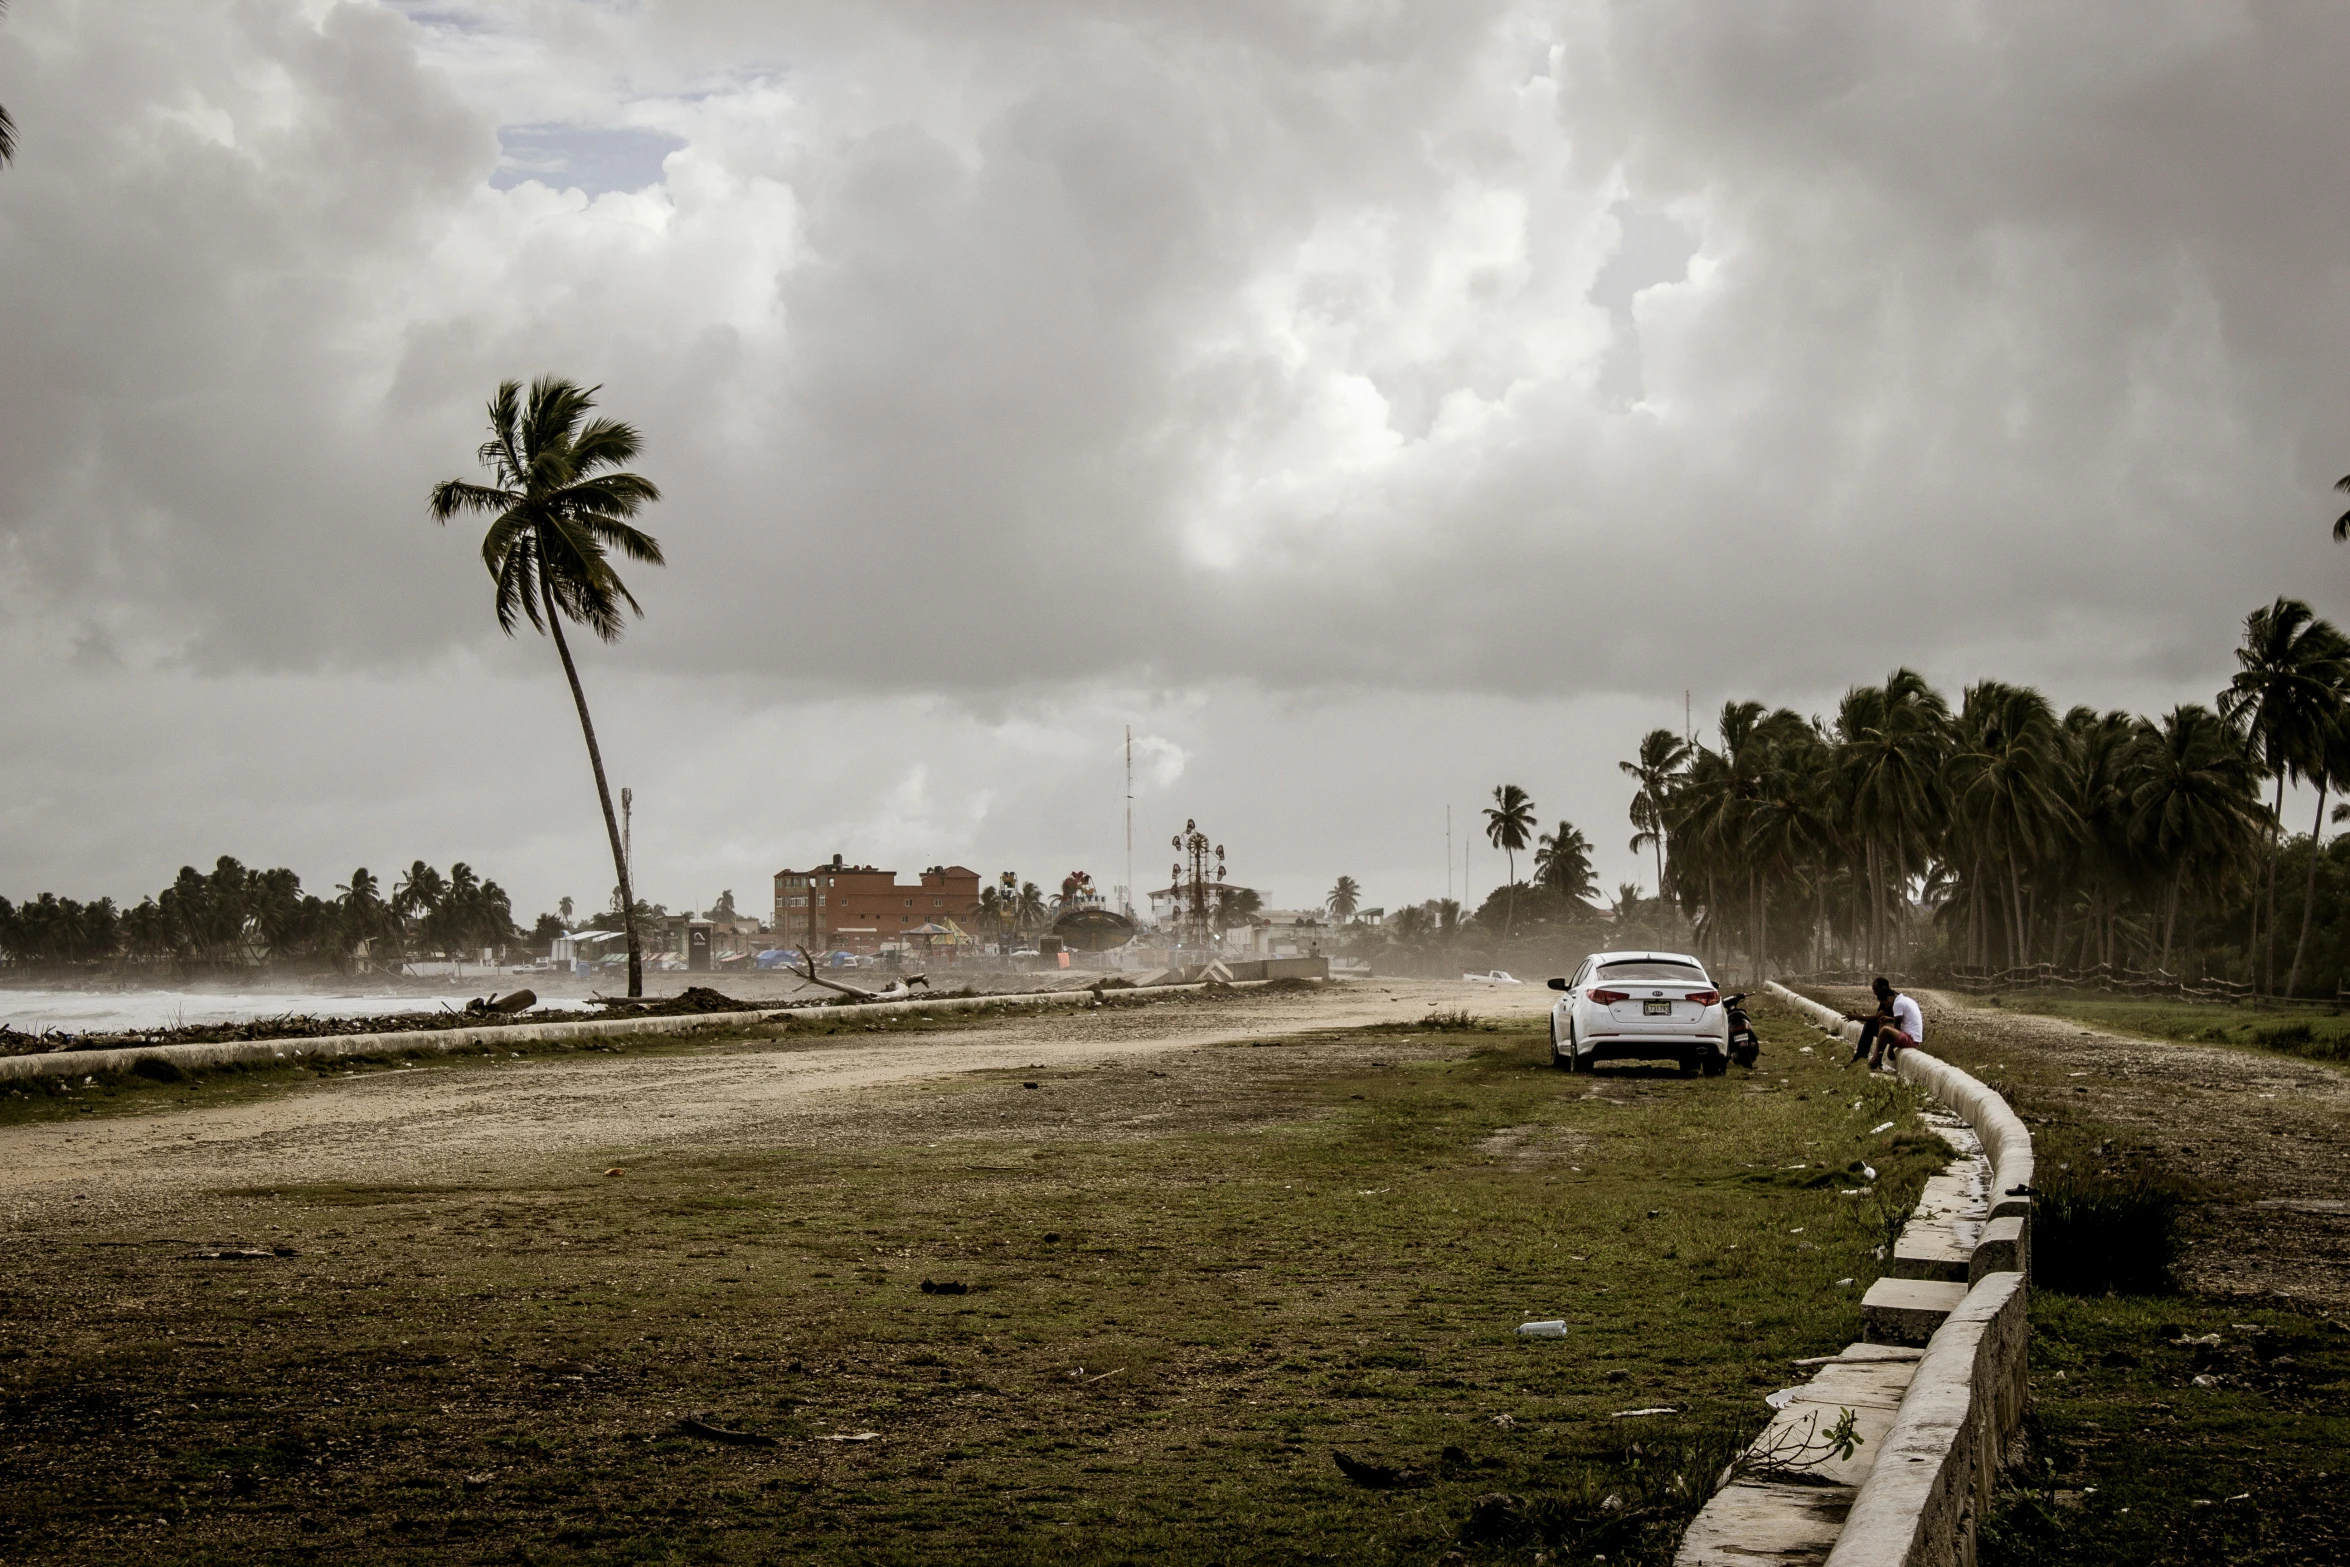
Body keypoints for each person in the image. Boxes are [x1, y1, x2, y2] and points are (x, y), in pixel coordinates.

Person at [1846, 976, 1923, 1070]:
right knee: (1880, 1023)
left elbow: (1883, 1020)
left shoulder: (1895, 1003)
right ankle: (1869, 1059)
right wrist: (1890, 1019)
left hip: (1908, 1036)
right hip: (1910, 1034)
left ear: (1884, 989)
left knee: (1880, 1027)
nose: (1874, 992)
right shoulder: (1896, 998)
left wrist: (1856, 1017)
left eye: (1875, 989)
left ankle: (1874, 1059)